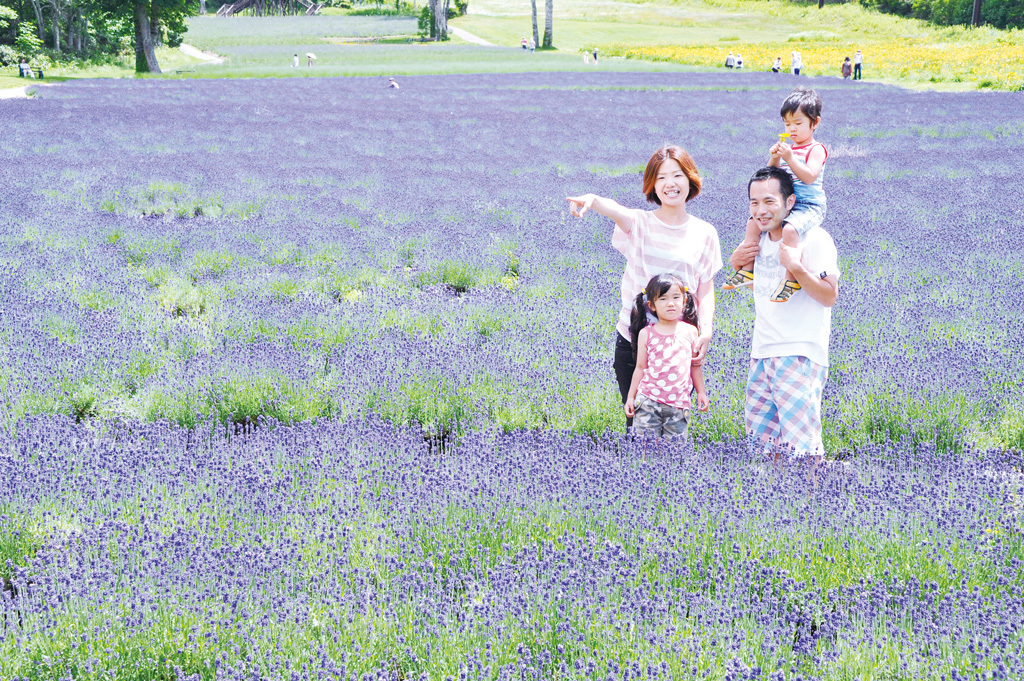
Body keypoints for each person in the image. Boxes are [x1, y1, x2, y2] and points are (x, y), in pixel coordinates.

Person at [567, 145, 723, 428]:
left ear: (690, 179)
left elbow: (705, 289)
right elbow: (614, 209)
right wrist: (593, 199)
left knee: (673, 429)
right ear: (652, 183)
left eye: (677, 175)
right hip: (634, 341)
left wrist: (707, 331)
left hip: (678, 348)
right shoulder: (640, 223)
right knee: (638, 428)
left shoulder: (705, 233)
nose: (670, 184)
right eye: (661, 177)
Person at [730, 166, 839, 466]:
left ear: (789, 202)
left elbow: (829, 296)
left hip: (799, 353)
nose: (760, 210)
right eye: (754, 202)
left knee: (802, 446)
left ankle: (812, 506)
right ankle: (777, 508)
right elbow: (762, 285)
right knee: (764, 448)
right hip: (762, 354)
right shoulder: (760, 242)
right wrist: (737, 264)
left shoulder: (814, 238)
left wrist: (799, 268)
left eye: (769, 201)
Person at [724, 88, 827, 303]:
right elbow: (770, 177)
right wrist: (774, 158)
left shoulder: (816, 149)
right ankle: (747, 269)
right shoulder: (788, 149)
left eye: (798, 123)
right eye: (787, 124)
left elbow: (809, 177)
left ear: (815, 123)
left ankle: (791, 280)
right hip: (784, 204)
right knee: (752, 224)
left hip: (808, 205)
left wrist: (789, 157)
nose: (792, 129)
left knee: (790, 230)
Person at [624, 273, 710, 445]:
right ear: (652, 305)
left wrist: (701, 392)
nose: (670, 303)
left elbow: (694, 366)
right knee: (645, 450)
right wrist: (631, 397)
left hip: (678, 404)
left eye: (676, 297)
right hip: (648, 401)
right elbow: (640, 368)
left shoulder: (690, 331)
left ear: (684, 301)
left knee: (675, 453)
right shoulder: (646, 333)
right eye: (663, 299)